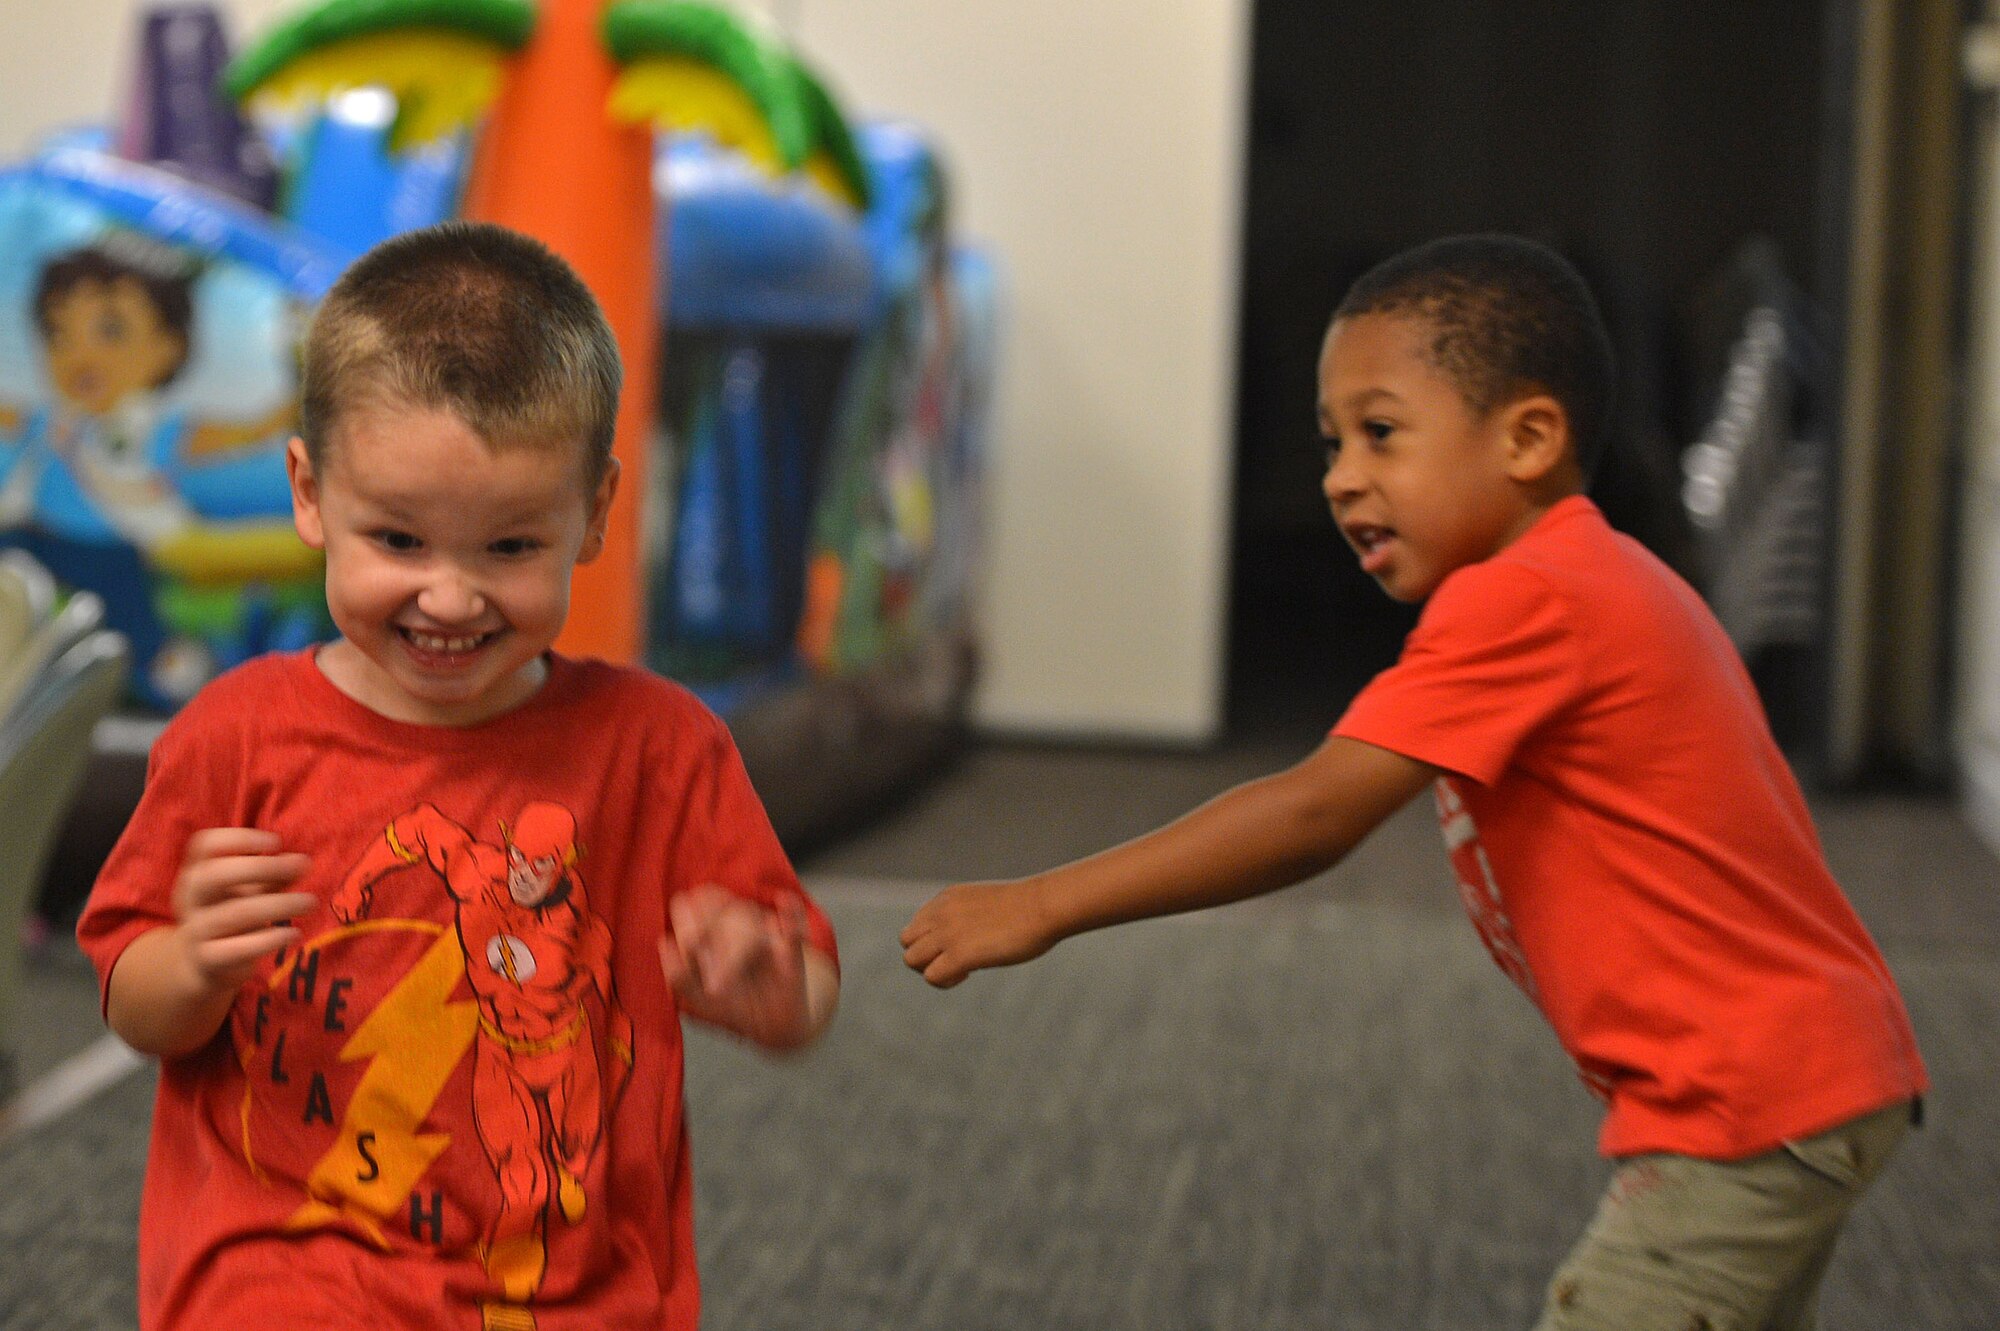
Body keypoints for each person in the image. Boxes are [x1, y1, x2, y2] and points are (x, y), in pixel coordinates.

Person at [901, 233, 1926, 1330]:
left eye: (1381, 432)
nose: (1342, 475)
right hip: (1810, 1075)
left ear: (1528, 436)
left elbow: (1312, 811)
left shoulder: (1523, 599)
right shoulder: (1604, 577)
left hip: (1742, 1101)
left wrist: (1041, 903)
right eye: (1332, 440)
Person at [78, 220, 839, 1331]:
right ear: (308, 492)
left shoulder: (659, 750)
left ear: (594, 512)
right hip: (284, 1265)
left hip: (567, 1283)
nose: (449, 596)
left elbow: (805, 986)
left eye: (509, 547)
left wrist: (772, 990)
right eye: (396, 538)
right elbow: (132, 995)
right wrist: (192, 963)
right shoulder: (234, 736)